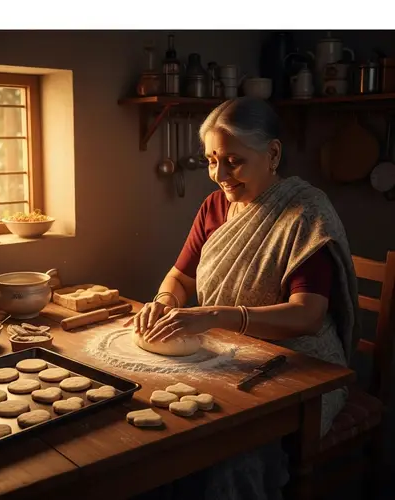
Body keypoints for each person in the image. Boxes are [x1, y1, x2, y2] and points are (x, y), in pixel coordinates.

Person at [126, 97, 361, 500]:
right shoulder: (215, 206)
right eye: (211, 160)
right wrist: (164, 300)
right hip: (231, 355)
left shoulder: (305, 213)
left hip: (303, 369)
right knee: (164, 438)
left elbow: (307, 315)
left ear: (272, 153)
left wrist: (214, 315)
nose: (219, 175)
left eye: (233, 161)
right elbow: (179, 277)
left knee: (226, 456)